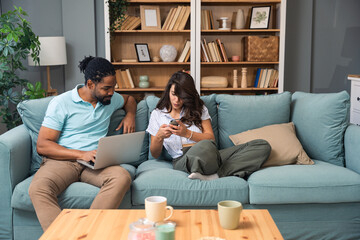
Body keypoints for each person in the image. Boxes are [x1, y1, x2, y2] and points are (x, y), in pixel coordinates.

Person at [29, 56, 137, 231]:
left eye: (114, 87)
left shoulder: (109, 100)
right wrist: (80, 154)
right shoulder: (61, 103)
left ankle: (89, 233)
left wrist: (130, 115)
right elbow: (42, 145)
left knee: (121, 177)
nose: (112, 92)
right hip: (63, 160)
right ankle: (61, 236)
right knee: (38, 188)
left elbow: (129, 99)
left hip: (95, 162)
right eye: (106, 88)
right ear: (90, 84)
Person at [146, 71, 271, 181]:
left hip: (210, 155)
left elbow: (211, 139)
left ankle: (215, 175)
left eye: (182, 96)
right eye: (173, 94)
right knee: (205, 145)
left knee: (262, 145)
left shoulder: (198, 108)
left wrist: (187, 133)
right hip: (183, 159)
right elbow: (155, 154)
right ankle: (220, 171)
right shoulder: (158, 114)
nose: (177, 100)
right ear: (168, 92)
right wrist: (159, 137)